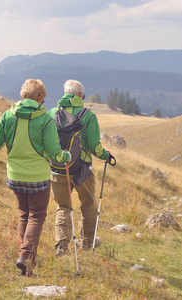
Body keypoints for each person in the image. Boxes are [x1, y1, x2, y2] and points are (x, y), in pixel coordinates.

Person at [0, 79, 70, 276]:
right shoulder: (45, 120)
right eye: (44, 99)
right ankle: (25, 256)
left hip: (15, 176)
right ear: (39, 98)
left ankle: (29, 260)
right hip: (38, 178)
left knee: (25, 214)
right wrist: (66, 156)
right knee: (37, 215)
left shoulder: (7, 116)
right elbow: (55, 153)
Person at [48, 79, 115, 256]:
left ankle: (61, 245)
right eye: (82, 95)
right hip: (82, 169)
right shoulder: (88, 116)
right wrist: (106, 156)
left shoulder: (52, 113)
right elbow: (94, 146)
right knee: (88, 205)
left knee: (62, 206)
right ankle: (86, 243)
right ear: (79, 95)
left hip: (58, 168)